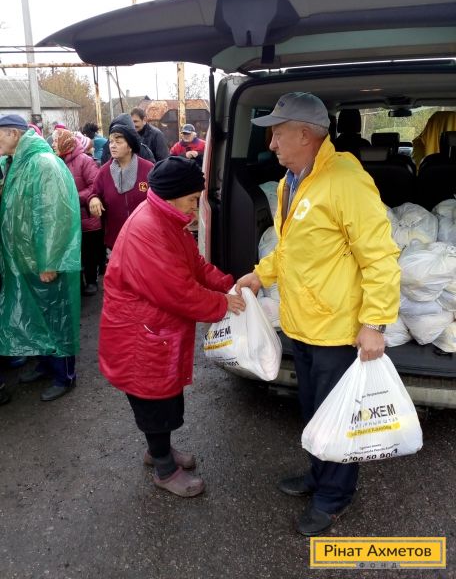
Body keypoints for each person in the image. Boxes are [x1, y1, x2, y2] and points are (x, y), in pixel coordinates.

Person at [235, 92, 400, 536]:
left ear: (305, 135)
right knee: (311, 409)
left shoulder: (345, 181)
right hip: (302, 322)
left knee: (337, 417)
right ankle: (318, 474)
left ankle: (334, 497)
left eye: (278, 133)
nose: (271, 143)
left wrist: (374, 323)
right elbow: (290, 247)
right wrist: (260, 274)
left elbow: (380, 257)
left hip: (335, 329)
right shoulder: (291, 181)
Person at [99, 156, 245, 497]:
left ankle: (159, 451)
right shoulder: (149, 230)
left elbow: (194, 265)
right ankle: (164, 469)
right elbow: (178, 291)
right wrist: (223, 304)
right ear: (173, 195)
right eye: (193, 199)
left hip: (155, 331)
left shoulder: (166, 219)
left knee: (163, 397)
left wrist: (228, 285)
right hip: (139, 335)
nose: (196, 206)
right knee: (154, 402)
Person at [0, 114, 81, 402]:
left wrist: (50, 261)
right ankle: (46, 365)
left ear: (13, 134)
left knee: (57, 316)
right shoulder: (16, 163)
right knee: (39, 315)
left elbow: (55, 216)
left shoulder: (43, 164)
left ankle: (65, 376)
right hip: (25, 258)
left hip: (44, 261)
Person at [88, 119, 154, 250]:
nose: (112, 146)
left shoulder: (148, 169)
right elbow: (94, 193)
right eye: (111, 142)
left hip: (145, 240)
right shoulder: (104, 172)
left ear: (130, 146)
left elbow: (160, 198)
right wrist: (93, 199)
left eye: (118, 142)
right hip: (115, 241)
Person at [53, 129, 103, 296]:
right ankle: (78, 283)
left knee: (89, 252)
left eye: (56, 141)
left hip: (86, 217)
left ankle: (91, 281)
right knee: (75, 252)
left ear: (66, 142)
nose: (53, 144)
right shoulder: (55, 162)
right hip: (68, 218)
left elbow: (94, 186)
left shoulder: (84, 161)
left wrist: (72, 197)